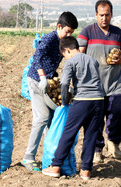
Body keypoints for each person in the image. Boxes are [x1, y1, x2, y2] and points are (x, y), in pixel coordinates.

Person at [21, 12, 78, 172]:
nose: (68, 35)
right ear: (59, 27)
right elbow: (37, 56)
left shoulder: (62, 42)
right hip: (36, 81)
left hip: (49, 82)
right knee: (42, 117)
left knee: (54, 120)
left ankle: (50, 155)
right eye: (67, 31)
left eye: (71, 33)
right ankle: (28, 157)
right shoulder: (49, 39)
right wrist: (42, 76)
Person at [42, 36, 104, 180]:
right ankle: (86, 170)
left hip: (82, 100)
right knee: (90, 135)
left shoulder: (71, 62)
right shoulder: (92, 60)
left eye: (64, 55)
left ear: (67, 50)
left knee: (68, 133)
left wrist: (64, 102)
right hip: (99, 100)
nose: (65, 58)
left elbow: (64, 84)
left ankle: (56, 166)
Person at [77, 0, 121, 162]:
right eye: (101, 15)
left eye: (107, 15)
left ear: (111, 15)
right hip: (94, 86)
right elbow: (79, 56)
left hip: (115, 83)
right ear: (96, 15)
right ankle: (96, 150)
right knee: (95, 119)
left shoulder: (117, 33)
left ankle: (114, 142)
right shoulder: (87, 32)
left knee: (120, 112)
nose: (104, 18)